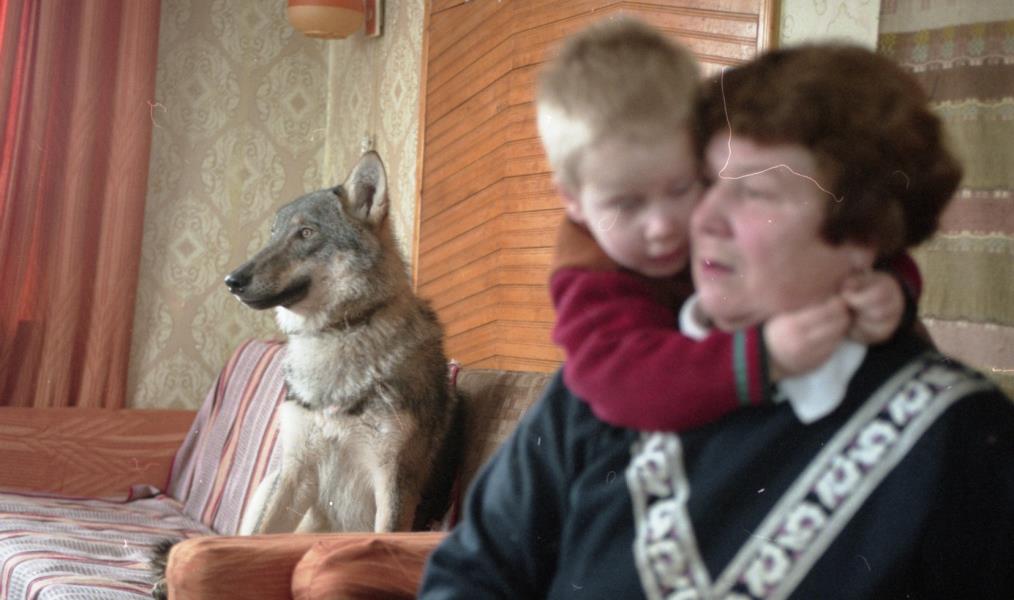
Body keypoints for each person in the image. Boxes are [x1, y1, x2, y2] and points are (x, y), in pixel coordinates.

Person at [420, 43, 1014, 599]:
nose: (705, 217)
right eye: (700, 184)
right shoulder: (605, 387)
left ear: (864, 233)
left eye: (756, 191)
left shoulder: (958, 434)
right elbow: (469, 577)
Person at [537, 18, 914, 431]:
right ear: (573, 201)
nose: (662, 226)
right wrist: (764, 357)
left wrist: (892, 288)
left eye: (683, 187)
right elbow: (624, 386)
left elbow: (852, 237)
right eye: (627, 205)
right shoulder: (590, 280)